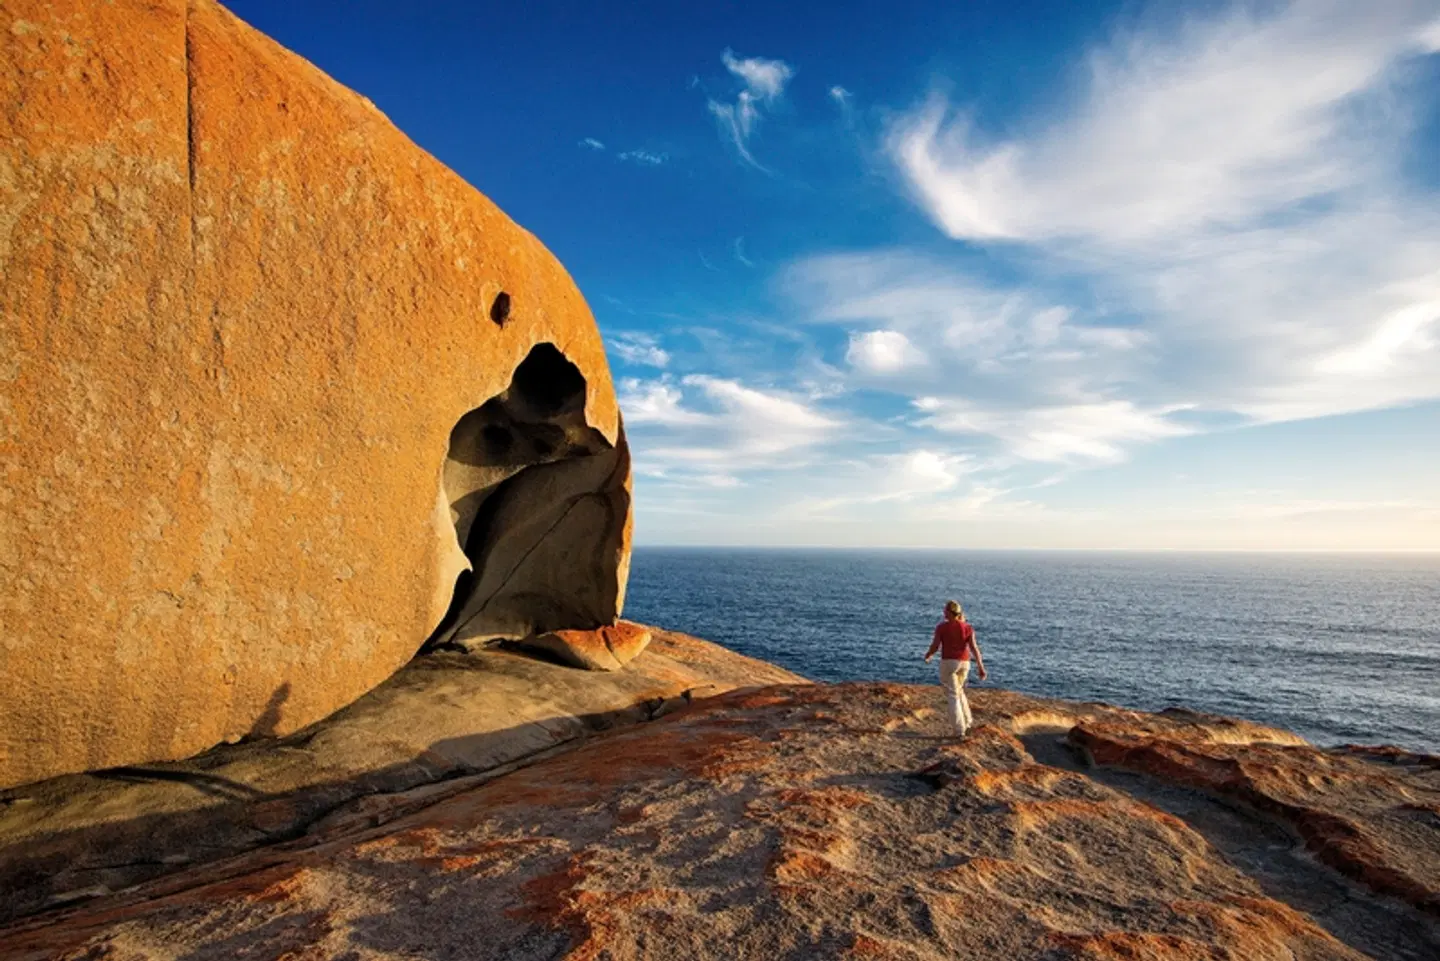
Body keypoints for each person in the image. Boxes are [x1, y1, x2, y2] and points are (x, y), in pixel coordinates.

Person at [923, 599, 987, 737]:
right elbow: (974, 649)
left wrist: (928, 655)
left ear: (950, 613)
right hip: (964, 664)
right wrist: (980, 667)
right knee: (960, 692)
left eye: (945, 610)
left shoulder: (942, 627)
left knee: (952, 696)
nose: (943, 612)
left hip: (949, 663)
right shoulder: (968, 628)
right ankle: (968, 721)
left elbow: (935, 645)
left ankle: (959, 730)